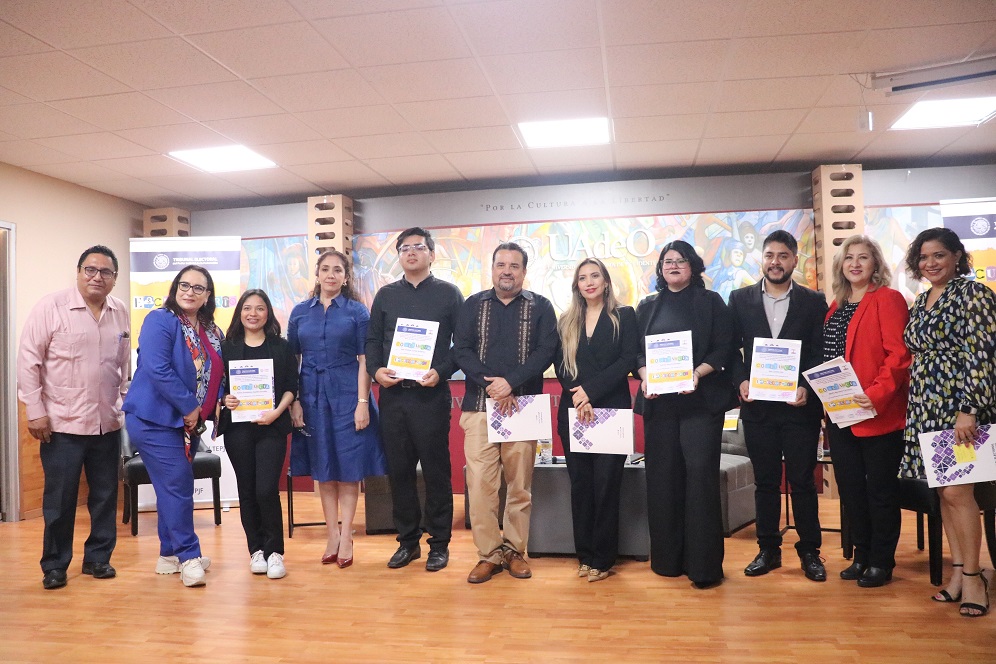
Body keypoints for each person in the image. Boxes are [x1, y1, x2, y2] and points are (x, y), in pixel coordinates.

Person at [17, 246, 130, 590]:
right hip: (61, 424)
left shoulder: (120, 312)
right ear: (78, 272)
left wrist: (124, 403)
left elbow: (123, 366)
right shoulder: (51, 308)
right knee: (60, 499)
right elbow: (28, 362)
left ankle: (98, 558)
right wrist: (34, 412)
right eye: (90, 270)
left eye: (105, 272)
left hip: (106, 423)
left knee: (105, 495)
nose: (97, 277)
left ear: (114, 278)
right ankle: (55, 565)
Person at [900, 228, 996, 617]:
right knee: (943, 494)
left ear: (957, 256)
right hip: (926, 407)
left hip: (960, 410)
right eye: (924, 257)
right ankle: (958, 573)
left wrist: (969, 409)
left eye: (939, 255)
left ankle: (975, 577)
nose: (930, 263)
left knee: (959, 495)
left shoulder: (974, 295)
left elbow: (982, 355)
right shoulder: (922, 300)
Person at [454, 241, 557, 584]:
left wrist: (510, 382)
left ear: (524, 271)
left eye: (514, 265)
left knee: (519, 487)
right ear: (493, 269)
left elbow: (546, 351)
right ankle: (489, 555)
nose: (507, 271)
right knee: (481, 486)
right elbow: (462, 351)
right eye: (501, 264)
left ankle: (515, 551)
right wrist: (492, 384)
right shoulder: (473, 305)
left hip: (523, 407)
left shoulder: (541, 307)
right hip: (479, 407)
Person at [729, 230, 829, 582]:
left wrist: (807, 387)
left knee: (803, 481)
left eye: (783, 255)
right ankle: (768, 549)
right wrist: (741, 380)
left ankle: (810, 552)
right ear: (762, 258)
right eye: (769, 254)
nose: (775, 262)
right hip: (758, 409)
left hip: (799, 408)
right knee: (766, 482)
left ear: (794, 260)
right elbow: (731, 350)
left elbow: (819, 351)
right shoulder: (739, 299)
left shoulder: (814, 301)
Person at [636, 241, 735, 588]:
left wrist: (697, 373)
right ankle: (667, 561)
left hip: (700, 404)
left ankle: (703, 566)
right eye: (667, 261)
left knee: (699, 480)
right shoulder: (647, 305)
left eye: (681, 261)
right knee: (662, 480)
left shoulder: (711, 303)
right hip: (659, 405)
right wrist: (646, 375)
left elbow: (724, 346)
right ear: (661, 269)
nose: (674, 266)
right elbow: (637, 353)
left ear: (693, 267)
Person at [366, 228, 464, 572]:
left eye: (418, 247)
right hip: (393, 397)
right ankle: (407, 542)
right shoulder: (386, 295)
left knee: (437, 472)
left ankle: (439, 543)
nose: (411, 253)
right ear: (399, 255)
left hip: (431, 396)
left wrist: (441, 370)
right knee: (400, 472)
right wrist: (376, 371)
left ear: (431, 254)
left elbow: (462, 346)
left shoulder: (449, 294)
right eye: (404, 248)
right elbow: (373, 340)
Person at [122, 265, 224, 588]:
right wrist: (190, 406)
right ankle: (189, 555)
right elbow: (156, 368)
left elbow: (217, 371)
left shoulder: (210, 329)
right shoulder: (160, 320)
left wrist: (216, 404)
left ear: (208, 295)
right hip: (154, 420)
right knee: (178, 484)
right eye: (185, 285)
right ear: (175, 287)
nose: (190, 292)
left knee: (171, 487)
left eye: (198, 287)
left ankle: (169, 555)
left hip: (190, 424)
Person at [822, 235, 911, 588]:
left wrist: (875, 396)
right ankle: (861, 555)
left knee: (880, 491)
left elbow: (899, 356)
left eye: (863, 257)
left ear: (876, 264)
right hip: (840, 414)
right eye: (848, 258)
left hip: (877, 413)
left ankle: (881, 561)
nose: (855, 264)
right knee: (851, 489)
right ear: (841, 266)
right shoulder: (836, 304)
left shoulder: (888, 299)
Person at [288, 249, 387, 569]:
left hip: (348, 397)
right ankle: (331, 534)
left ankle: (347, 535)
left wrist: (362, 404)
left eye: (338, 270)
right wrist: (297, 402)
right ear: (317, 274)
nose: (331, 275)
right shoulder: (300, 312)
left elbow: (364, 361)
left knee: (348, 469)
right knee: (324, 469)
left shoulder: (357, 312)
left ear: (346, 278)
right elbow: (293, 360)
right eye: (325, 269)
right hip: (312, 398)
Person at [555, 258, 638, 582]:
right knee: (581, 486)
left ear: (605, 281)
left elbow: (627, 360)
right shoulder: (566, 321)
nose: (589, 282)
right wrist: (578, 395)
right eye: (582, 278)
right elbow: (560, 365)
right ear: (576, 285)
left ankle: (603, 560)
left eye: (595, 276)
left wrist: (589, 392)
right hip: (574, 412)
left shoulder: (624, 316)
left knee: (606, 486)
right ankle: (585, 556)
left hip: (610, 411)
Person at [218, 289, 298, 580]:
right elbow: (219, 388)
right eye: (247, 308)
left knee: (266, 489)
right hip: (238, 428)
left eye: (260, 308)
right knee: (247, 490)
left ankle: (275, 551)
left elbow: (291, 385)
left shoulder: (282, 346)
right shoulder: (227, 347)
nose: (253, 313)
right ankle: (256, 551)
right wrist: (224, 400)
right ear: (239, 312)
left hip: (272, 426)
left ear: (268, 313)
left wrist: (278, 411)